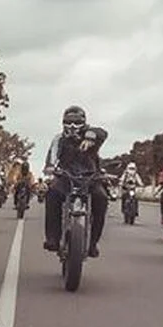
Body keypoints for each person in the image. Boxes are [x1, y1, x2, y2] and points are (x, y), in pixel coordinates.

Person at [42, 105, 109, 257]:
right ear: (63, 122)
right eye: (69, 121)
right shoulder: (58, 139)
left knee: (101, 198)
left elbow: (103, 133)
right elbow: (52, 157)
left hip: (90, 178)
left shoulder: (92, 136)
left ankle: (93, 243)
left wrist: (90, 136)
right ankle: (53, 238)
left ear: (84, 122)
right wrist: (50, 168)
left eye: (76, 122)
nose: (72, 126)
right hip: (66, 177)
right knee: (51, 194)